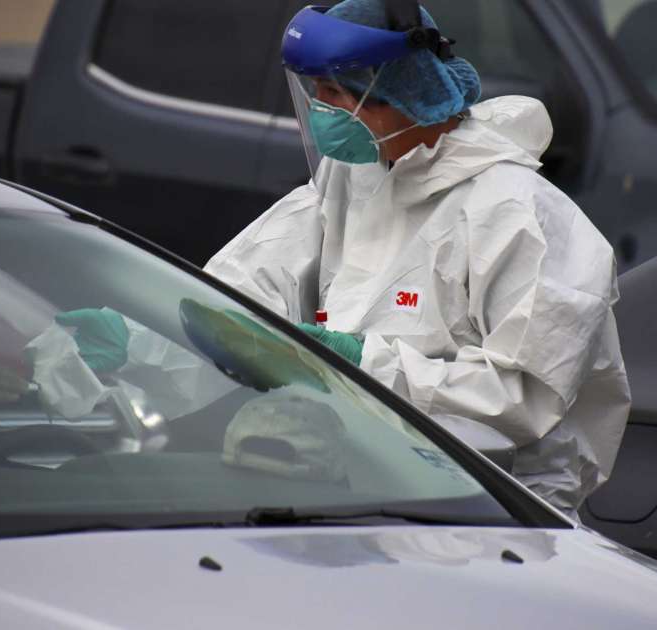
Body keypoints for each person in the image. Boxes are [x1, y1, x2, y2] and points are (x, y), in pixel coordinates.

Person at [202, 0, 631, 515]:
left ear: (396, 91)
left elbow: (522, 396)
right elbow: (248, 282)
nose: (319, 107)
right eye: (312, 89)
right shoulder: (355, 178)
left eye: (333, 91)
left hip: (492, 513)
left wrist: (363, 365)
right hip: (356, 490)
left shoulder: (520, 216)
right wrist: (138, 329)